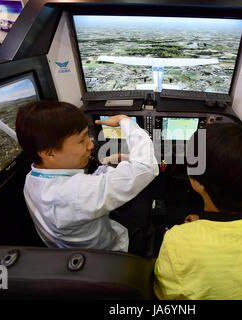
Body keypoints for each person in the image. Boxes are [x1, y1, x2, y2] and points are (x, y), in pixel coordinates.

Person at [154, 123, 242, 300]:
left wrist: (191, 234)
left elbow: (166, 296)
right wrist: (200, 226)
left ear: (196, 181)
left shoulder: (177, 242)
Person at [15, 101, 158, 254]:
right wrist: (125, 120)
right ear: (48, 152)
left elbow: (83, 190)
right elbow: (146, 167)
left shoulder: (31, 178)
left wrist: (110, 166)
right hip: (113, 252)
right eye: (82, 140)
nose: (90, 145)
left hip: (71, 251)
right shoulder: (76, 193)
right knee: (145, 192)